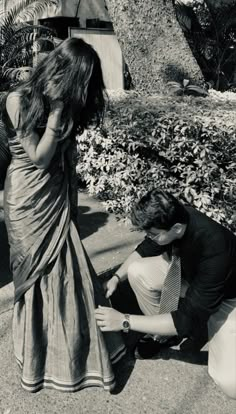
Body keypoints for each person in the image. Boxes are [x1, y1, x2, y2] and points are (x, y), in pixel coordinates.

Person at [2, 37, 126, 393]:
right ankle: (39, 359)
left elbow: (64, 156)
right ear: (62, 71)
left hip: (58, 194)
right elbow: (39, 158)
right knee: (39, 274)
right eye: (80, 82)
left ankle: (75, 357)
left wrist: (71, 204)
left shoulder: (70, 103)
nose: (83, 91)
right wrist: (56, 111)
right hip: (27, 197)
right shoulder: (18, 100)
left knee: (68, 272)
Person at [95, 188, 236, 399]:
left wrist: (124, 321)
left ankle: (192, 330)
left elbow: (188, 317)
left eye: (153, 234)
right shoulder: (175, 218)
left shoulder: (216, 248)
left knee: (230, 382)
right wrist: (115, 278)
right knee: (138, 271)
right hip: (190, 279)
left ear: (177, 228)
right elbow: (145, 248)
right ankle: (165, 336)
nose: (149, 237)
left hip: (227, 298)